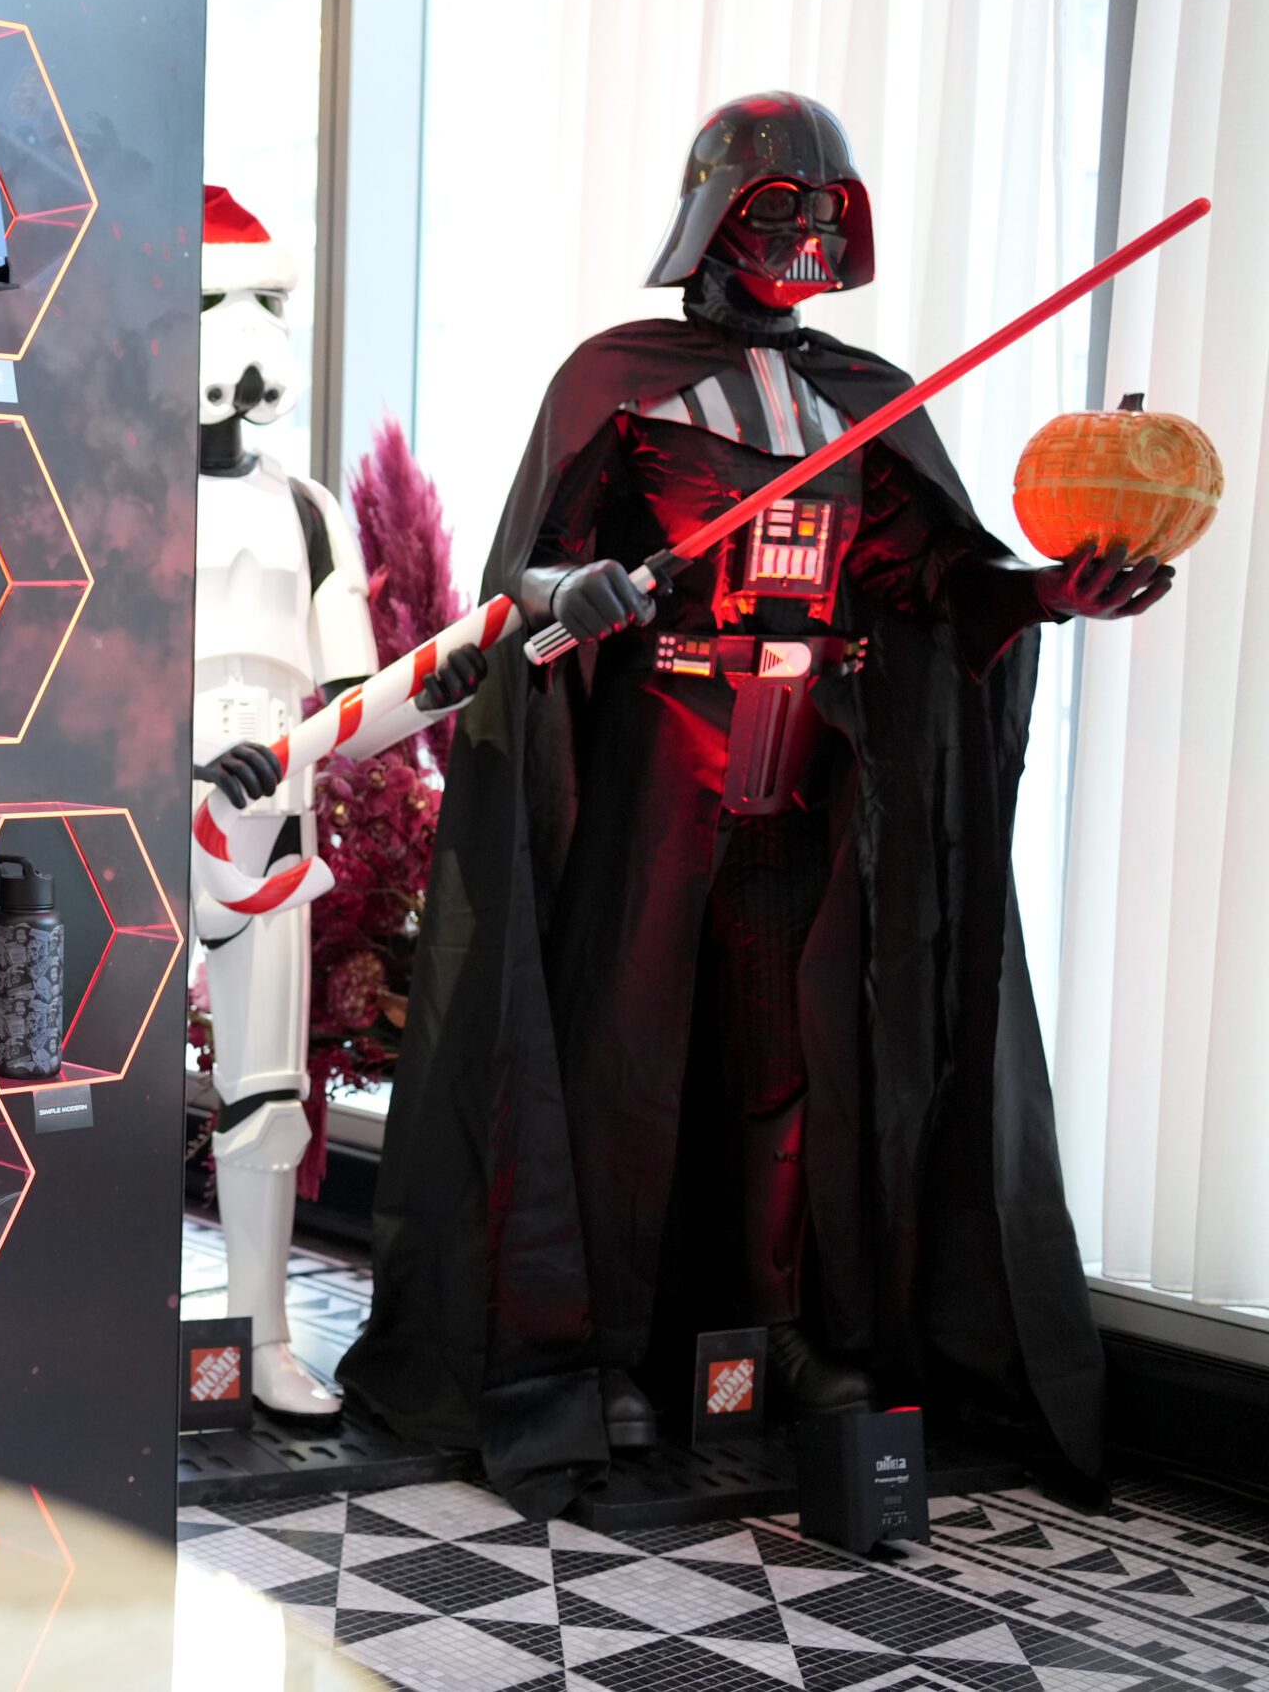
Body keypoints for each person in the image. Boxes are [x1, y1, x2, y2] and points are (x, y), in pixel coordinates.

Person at [331, 93, 1171, 1516]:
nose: (803, 237)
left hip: (814, 763)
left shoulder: (868, 397)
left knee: (792, 1058)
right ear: (713, 219)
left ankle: (776, 1324)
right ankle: (596, 1345)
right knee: (624, 1050)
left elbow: (931, 581)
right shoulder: (618, 380)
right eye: (779, 209)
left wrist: (1048, 592)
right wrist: (575, 587)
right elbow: (523, 573)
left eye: (827, 213)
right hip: (660, 761)